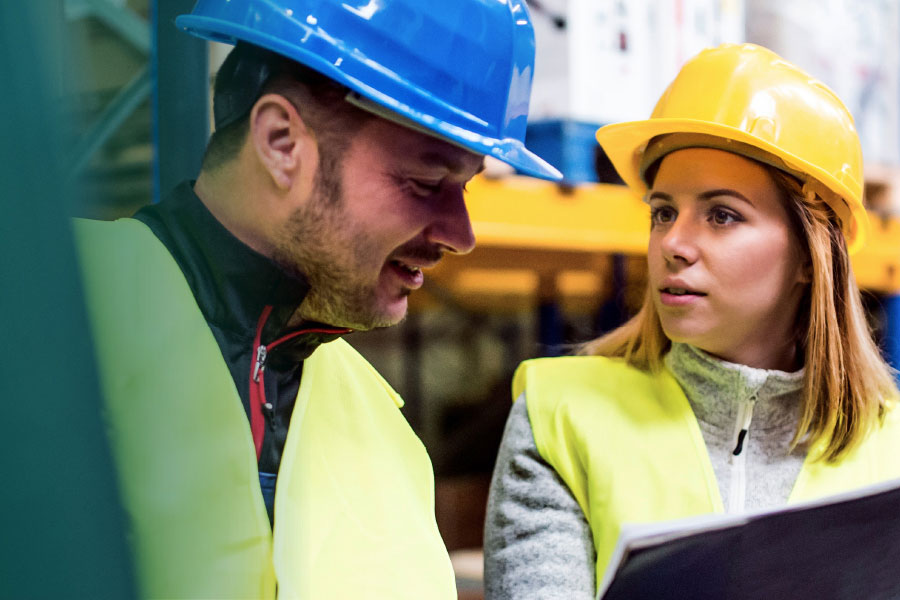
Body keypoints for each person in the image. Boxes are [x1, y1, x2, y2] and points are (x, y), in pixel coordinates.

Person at [73, 1, 560, 598]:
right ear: (281, 143)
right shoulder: (47, 318)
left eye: (464, 189)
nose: (460, 236)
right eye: (426, 184)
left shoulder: (382, 425)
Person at [483, 43, 900, 599]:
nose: (673, 244)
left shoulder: (890, 445)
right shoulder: (560, 417)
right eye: (662, 213)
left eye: (722, 215)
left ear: (810, 255)